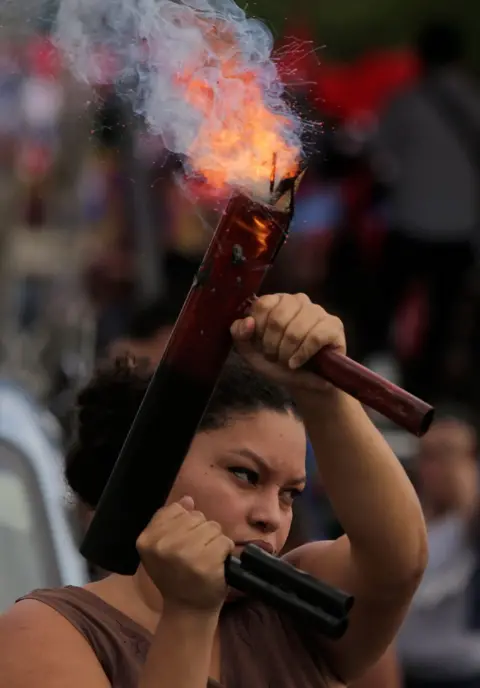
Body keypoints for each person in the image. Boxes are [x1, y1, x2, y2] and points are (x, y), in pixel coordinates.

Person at [0, 293, 427, 687]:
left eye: (289, 494)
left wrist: (323, 395)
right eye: (245, 475)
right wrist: (188, 614)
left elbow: (396, 562)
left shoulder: (292, 616)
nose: (271, 516)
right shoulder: (47, 629)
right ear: (157, 468)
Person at [367, 20, 480, 399]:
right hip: (460, 229)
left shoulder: (404, 102)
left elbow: (383, 161)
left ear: (421, 55)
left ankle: (379, 374)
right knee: (443, 316)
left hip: (410, 222)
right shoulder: (474, 102)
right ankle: (428, 390)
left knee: (386, 301)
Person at [397, 406, 480, 688]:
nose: (436, 466)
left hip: (462, 671)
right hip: (406, 668)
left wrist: (466, 486)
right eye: (428, 455)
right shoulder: (406, 519)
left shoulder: (469, 523)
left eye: (448, 454)